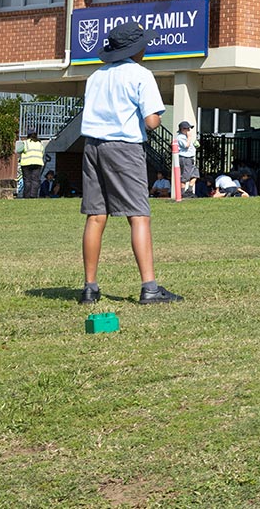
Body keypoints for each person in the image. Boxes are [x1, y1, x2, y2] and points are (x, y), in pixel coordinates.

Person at [75, 22, 181, 305]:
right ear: (136, 49)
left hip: (92, 147)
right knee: (139, 215)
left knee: (96, 216)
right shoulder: (141, 75)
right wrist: (155, 120)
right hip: (124, 148)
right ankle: (149, 288)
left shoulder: (95, 76)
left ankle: (90, 288)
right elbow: (151, 120)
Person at [16, 131, 46, 199]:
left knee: (27, 180)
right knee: (35, 180)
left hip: (26, 164)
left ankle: (27, 196)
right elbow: (43, 152)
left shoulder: (26, 143)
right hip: (37, 163)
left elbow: (18, 150)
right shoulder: (39, 144)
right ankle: (33, 195)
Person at [173, 121, 197, 198]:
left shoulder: (185, 137)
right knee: (185, 176)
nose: (189, 130)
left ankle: (189, 191)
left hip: (190, 158)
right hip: (185, 158)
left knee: (195, 174)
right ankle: (182, 193)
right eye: (188, 129)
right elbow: (186, 145)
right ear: (183, 129)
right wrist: (189, 137)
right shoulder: (180, 137)